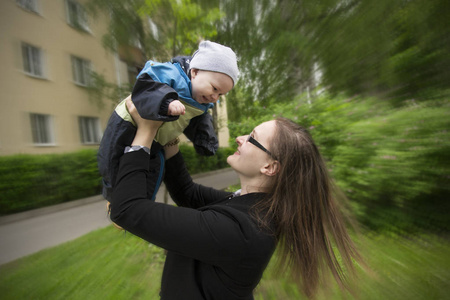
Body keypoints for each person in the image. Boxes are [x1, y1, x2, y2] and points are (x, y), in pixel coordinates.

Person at [108, 98, 362, 300]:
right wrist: (170, 137)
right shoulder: (252, 205)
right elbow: (188, 193)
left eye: (252, 138)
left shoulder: (242, 230)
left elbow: (127, 209)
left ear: (270, 167)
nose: (241, 138)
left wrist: (146, 130)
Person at [98, 40, 239, 202]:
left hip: (157, 141)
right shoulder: (172, 75)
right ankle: (112, 199)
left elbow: (199, 120)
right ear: (195, 72)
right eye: (214, 88)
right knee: (113, 164)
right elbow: (147, 85)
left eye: (220, 94)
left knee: (154, 172)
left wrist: (206, 140)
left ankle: (142, 204)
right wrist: (167, 102)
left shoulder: (202, 102)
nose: (215, 97)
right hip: (127, 126)